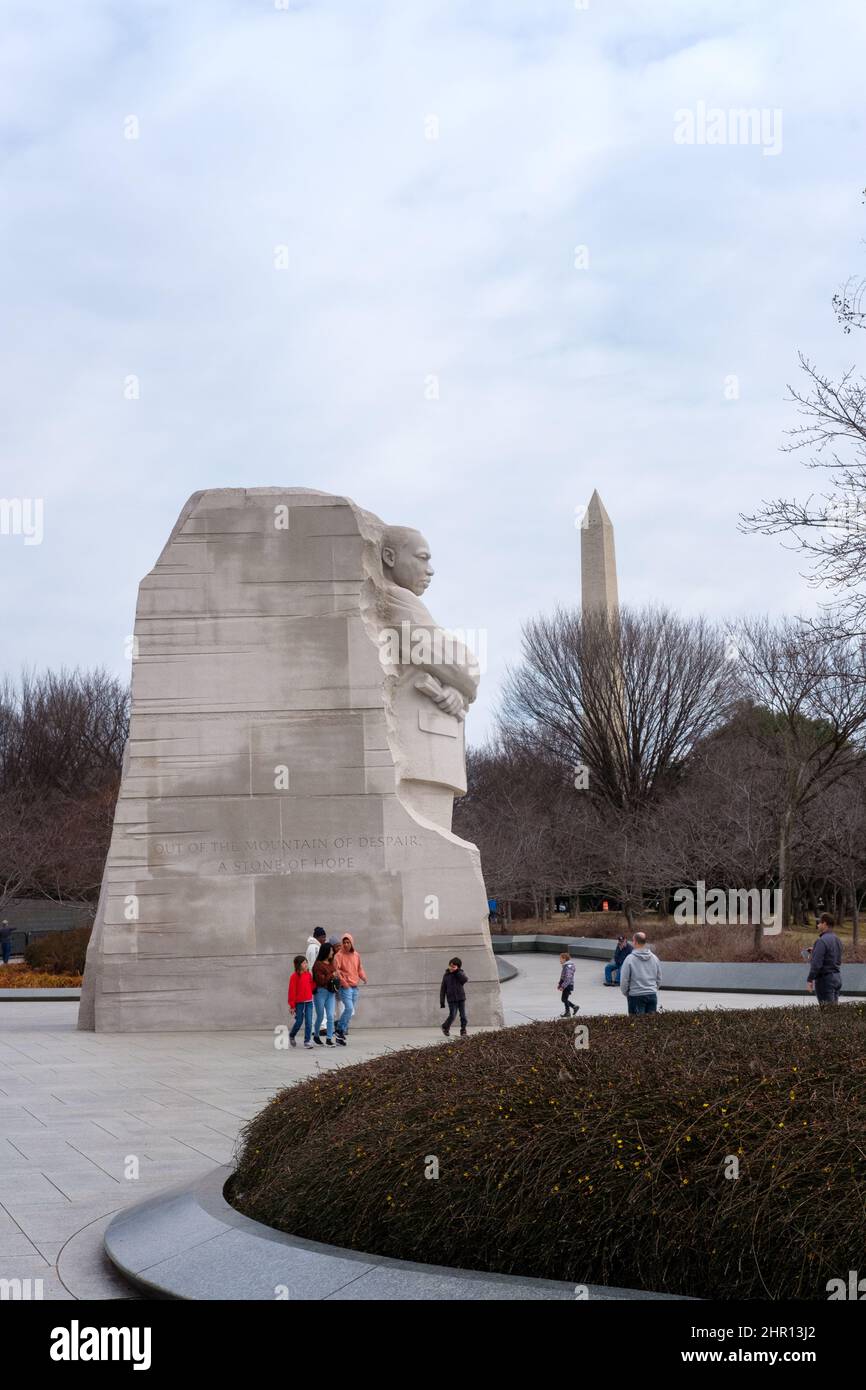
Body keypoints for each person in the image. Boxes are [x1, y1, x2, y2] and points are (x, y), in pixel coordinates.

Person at [333, 933, 367, 1044]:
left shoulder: (356, 955)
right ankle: (339, 1029)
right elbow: (336, 972)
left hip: (355, 987)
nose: (346, 944)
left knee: (350, 1010)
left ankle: (340, 1035)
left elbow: (359, 968)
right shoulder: (338, 955)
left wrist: (363, 977)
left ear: (351, 943)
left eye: (348, 942)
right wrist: (343, 982)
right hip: (345, 987)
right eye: (344, 942)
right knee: (348, 1008)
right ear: (342, 943)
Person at [619, 932, 661, 1015]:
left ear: (635, 942)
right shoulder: (655, 958)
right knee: (651, 1025)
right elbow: (659, 978)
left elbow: (624, 979)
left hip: (635, 996)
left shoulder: (629, 959)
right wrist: (653, 989)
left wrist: (626, 993)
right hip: (652, 995)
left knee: (637, 1025)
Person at [806, 913, 843, 1005]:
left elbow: (816, 964)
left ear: (825, 924)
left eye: (819, 923)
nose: (818, 925)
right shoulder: (837, 939)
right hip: (837, 977)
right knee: (834, 1012)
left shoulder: (821, 941)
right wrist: (815, 950)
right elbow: (834, 957)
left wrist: (810, 979)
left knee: (827, 1013)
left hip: (825, 980)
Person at [312, 942, 339, 1046]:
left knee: (331, 1016)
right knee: (320, 1016)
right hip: (320, 992)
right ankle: (316, 1036)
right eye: (331, 950)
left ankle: (329, 1038)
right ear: (326, 951)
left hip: (331, 993)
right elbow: (320, 981)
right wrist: (332, 975)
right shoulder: (318, 964)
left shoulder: (331, 963)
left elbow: (333, 976)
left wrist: (336, 977)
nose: (333, 952)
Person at [288, 956, 315, 1048]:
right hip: (299, 1003)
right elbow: (292, 991)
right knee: (299, 1021)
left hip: (309, 1002)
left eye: (306, 962)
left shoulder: (308, 974)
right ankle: (292, 1035)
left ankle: (307, 1041)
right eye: (303, 963)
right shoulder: (294, 976)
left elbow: (311, 986)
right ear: (298, 965)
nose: (306, 964)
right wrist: (292, 1005)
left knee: (309, 1021)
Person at [440, 957, 468, 1036]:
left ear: (458, 967)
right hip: (451, 999)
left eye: (453, 966)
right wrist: (442, 1001)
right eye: (450, 966)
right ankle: (445, 1027)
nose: (451, 968)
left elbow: (465, 979)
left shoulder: (460, 973)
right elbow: (443, 989)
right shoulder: (446, 976)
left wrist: (457, 972)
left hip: (461, 998)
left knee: (463, 1016)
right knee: (452, 1015)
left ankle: (463, 1030)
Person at [556, 952, 580, 1017]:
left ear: (564, 959)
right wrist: (560, 984)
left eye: (560, 959)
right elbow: (563, 977)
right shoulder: (566, 966)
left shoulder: (568, 967)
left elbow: (568, 978)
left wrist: (563, 986)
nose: (559, 960)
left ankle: (568, 1012)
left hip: (568, 985)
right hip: (567, 985)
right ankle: (573, 1007)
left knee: (564, 999)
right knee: (564, 999)